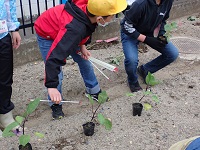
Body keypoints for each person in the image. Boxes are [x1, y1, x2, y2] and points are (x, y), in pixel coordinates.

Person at [34, 0, 127, 120]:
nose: (114, 17)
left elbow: (87, 28)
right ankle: (55, 103)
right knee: (58, 74)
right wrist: (51, 86)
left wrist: (82, 45)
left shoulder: (90, 9)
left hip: (65, 28)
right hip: (47, 31)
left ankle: (93, 91)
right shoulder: (75, 30)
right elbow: (54, 58)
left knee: (85, 61)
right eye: (112, 15)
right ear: (100, 19)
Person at [120, 0, 179, 92]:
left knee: (172, 53)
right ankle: (132, 81)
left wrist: (161, 34)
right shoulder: (140, 4)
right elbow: (127, 26)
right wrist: (146, 39)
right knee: (131, 60)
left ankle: (145, 70)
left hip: (149, 31)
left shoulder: (168, 1)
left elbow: (163, 20)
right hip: (130, 32)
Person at [0, 0, 21, 137]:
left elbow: (9, 2)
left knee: (5, 78)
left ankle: (5, 117)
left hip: (2, 34)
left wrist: (13, 28)